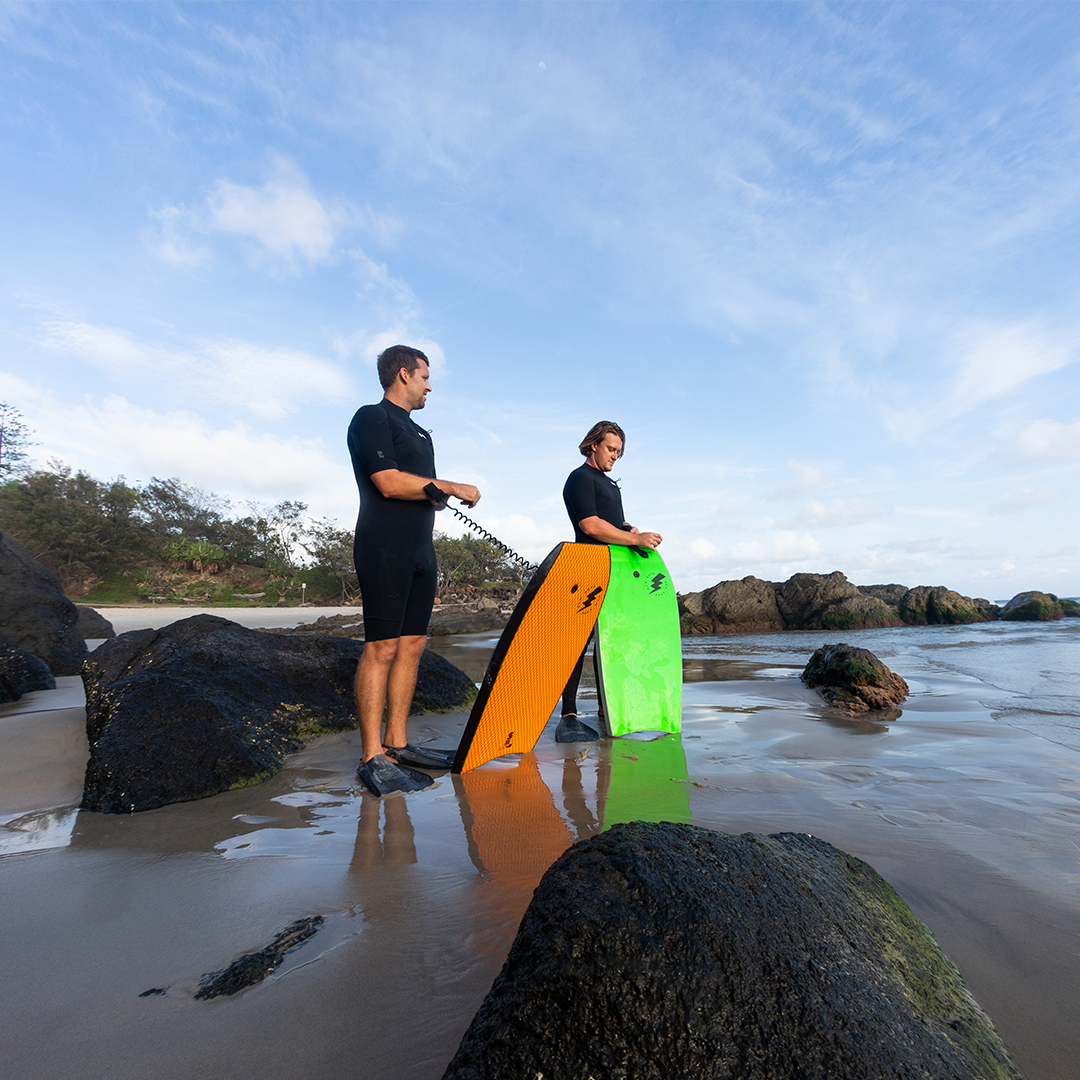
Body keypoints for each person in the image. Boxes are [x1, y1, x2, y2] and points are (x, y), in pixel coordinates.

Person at [347, 345, 481, 795]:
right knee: (381, 648)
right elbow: (387, 482)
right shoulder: (371, 417)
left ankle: (397, 743)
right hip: (383, 547)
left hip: (421, 550)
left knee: (412, 646)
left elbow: (427, 494)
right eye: (425, 377)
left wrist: (441, 492)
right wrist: (452, 485)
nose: (429, 386)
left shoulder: (421, 434)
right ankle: (372, 755)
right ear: (404, 374)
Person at [557, 420, 662, 742]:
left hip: (613, 569)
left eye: (619, 451)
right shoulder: (580, 478)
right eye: (611, 449)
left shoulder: (609, 483)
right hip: (587, 567)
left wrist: (628, 529)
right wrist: (636, 540)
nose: (615, 455)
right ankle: (569, 715)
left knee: (611, 641)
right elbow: (590, 525)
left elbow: (610, 522)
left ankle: (607, 708)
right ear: (593, 445)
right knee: (578, 644)